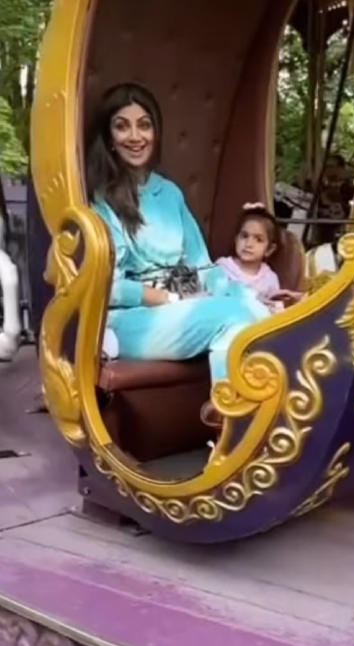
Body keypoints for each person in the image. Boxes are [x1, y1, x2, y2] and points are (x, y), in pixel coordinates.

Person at [86, 82, 271, 427]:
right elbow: (107, 286)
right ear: (109, 138)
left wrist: (252, 296)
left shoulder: (169, 193)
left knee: (257, 314)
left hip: (182, 306)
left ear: (155, 132)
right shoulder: (102, 200)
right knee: (233, 317)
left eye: (144, 125)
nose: (135, 136)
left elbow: (203, 269)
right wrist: (166, 298)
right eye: (122, 126)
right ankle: (234, 416)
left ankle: (232, 416)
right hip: (129, 320)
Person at [216, 203, 301, 312]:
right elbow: (215, 295)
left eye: (258, 240)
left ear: (269, 249)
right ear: (236, 239)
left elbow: (273, 307)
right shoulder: (223, 267)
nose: (249, 244)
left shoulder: (269, 278)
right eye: (244, 236)